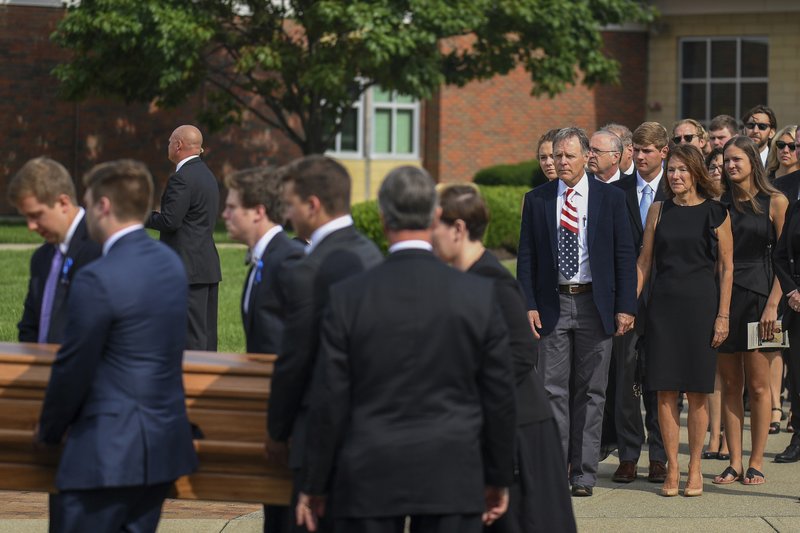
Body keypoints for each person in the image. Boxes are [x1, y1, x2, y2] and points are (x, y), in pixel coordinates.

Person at [297, 166, 515, 533]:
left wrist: (315, 481)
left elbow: (330, 397)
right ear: (434, 217)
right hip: (453, 471)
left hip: (369, 471)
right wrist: (499, 474)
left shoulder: (349, 297)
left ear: (383, 219)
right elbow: (499, 395)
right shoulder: (476, 296)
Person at [35, 159, 198, 532]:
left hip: (104, 455)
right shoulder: (170, 264)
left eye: (89, 203)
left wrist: (48, 430)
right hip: (160, 452)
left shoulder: (97, 277)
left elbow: (74, 366)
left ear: (104, 206)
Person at [432, 184, 576, 533]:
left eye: (432, 226)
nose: (428, 236)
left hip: (519, 433)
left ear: (458, 229)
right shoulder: (467, 277)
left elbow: (521, 353)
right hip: (500, 425)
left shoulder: (491, 280)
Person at [517, 127, 637, 497]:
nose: (560, 162)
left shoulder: (610, 198)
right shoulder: (537, 199)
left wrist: (624, 307)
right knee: (551, 390)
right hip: (552, 304)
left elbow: (623, 256)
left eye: (568, 156)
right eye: (556, 156)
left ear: (587, 157)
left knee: (591, 392)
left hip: (594, 304)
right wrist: (529, 304)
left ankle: (583, 474)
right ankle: (554, 469)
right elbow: (526, 257)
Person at [267, 155, 383, 531]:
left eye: (290, 204)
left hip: (317, 436)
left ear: (313, 205)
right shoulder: (371, 254)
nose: (287, 215)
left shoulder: (309, 268)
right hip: (372, 436)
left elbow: (295, 360)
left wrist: (276, 432)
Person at [636, 144, 733, 497]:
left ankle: (694, 468)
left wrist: (723, 315)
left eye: (682, 170)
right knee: (664, 391)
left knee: (697, 393)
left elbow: (726, 268)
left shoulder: (716, 212)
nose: (675, 176)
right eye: (671, 170)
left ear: (696, 172)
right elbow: (644, 263)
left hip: (701, 310)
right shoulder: (658, 211)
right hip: (663, 310)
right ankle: (672, 470)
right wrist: (630, 307)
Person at [222, 166, 304, 533]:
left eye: (231, 206)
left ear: (258, 211)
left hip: (294, 428)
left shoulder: (288, 262)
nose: (224, 214)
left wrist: (281, 427)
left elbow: (296, 353)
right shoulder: (263, 260)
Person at [713, 136, 788, 486]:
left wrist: (774, 304)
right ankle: (735, 462)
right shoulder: (718, 204)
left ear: (752, 163)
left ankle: (757, 461)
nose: (730, 165)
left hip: (762, 300)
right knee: (731, 384)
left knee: (759, 387)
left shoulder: (775, 202)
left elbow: (785, 260)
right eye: (726, 160)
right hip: (725, 299)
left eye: (736, 159)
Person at [602, 122, 670, 485]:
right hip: (626, 300)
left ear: (664, 152)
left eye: (648, 151)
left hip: (666, 301)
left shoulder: (676, 191)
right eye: (637, 150)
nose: (641, 157)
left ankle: (659, 456)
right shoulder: (618, 191)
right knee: (625, 377)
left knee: (659, 378)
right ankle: (628, 454)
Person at [7, 157, 102, 344]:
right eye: (26, 217)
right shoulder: (41, 257)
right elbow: (29, 325)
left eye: (36, 215)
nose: (31, 226)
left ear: (63, 203)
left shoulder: (100, 248)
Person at [146, 124, 222, 351]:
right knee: (206, 334)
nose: (168, 145)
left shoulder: (182, 178)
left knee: (191, 337)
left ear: (178, 145)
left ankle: (194, 383)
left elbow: (170, 221)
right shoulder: (207, 175)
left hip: (187, 267)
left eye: (170, 141)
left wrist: (139, 216)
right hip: (205, 265)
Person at [701, 146, 731, 461]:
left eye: (724, 165)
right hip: (703, 290)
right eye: (714, 165)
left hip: (733, 289)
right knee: (712, 370)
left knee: (729, 370)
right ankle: (713, 434)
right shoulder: (704, 205)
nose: (718, 169)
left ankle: (727, 439)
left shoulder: (735, 206)